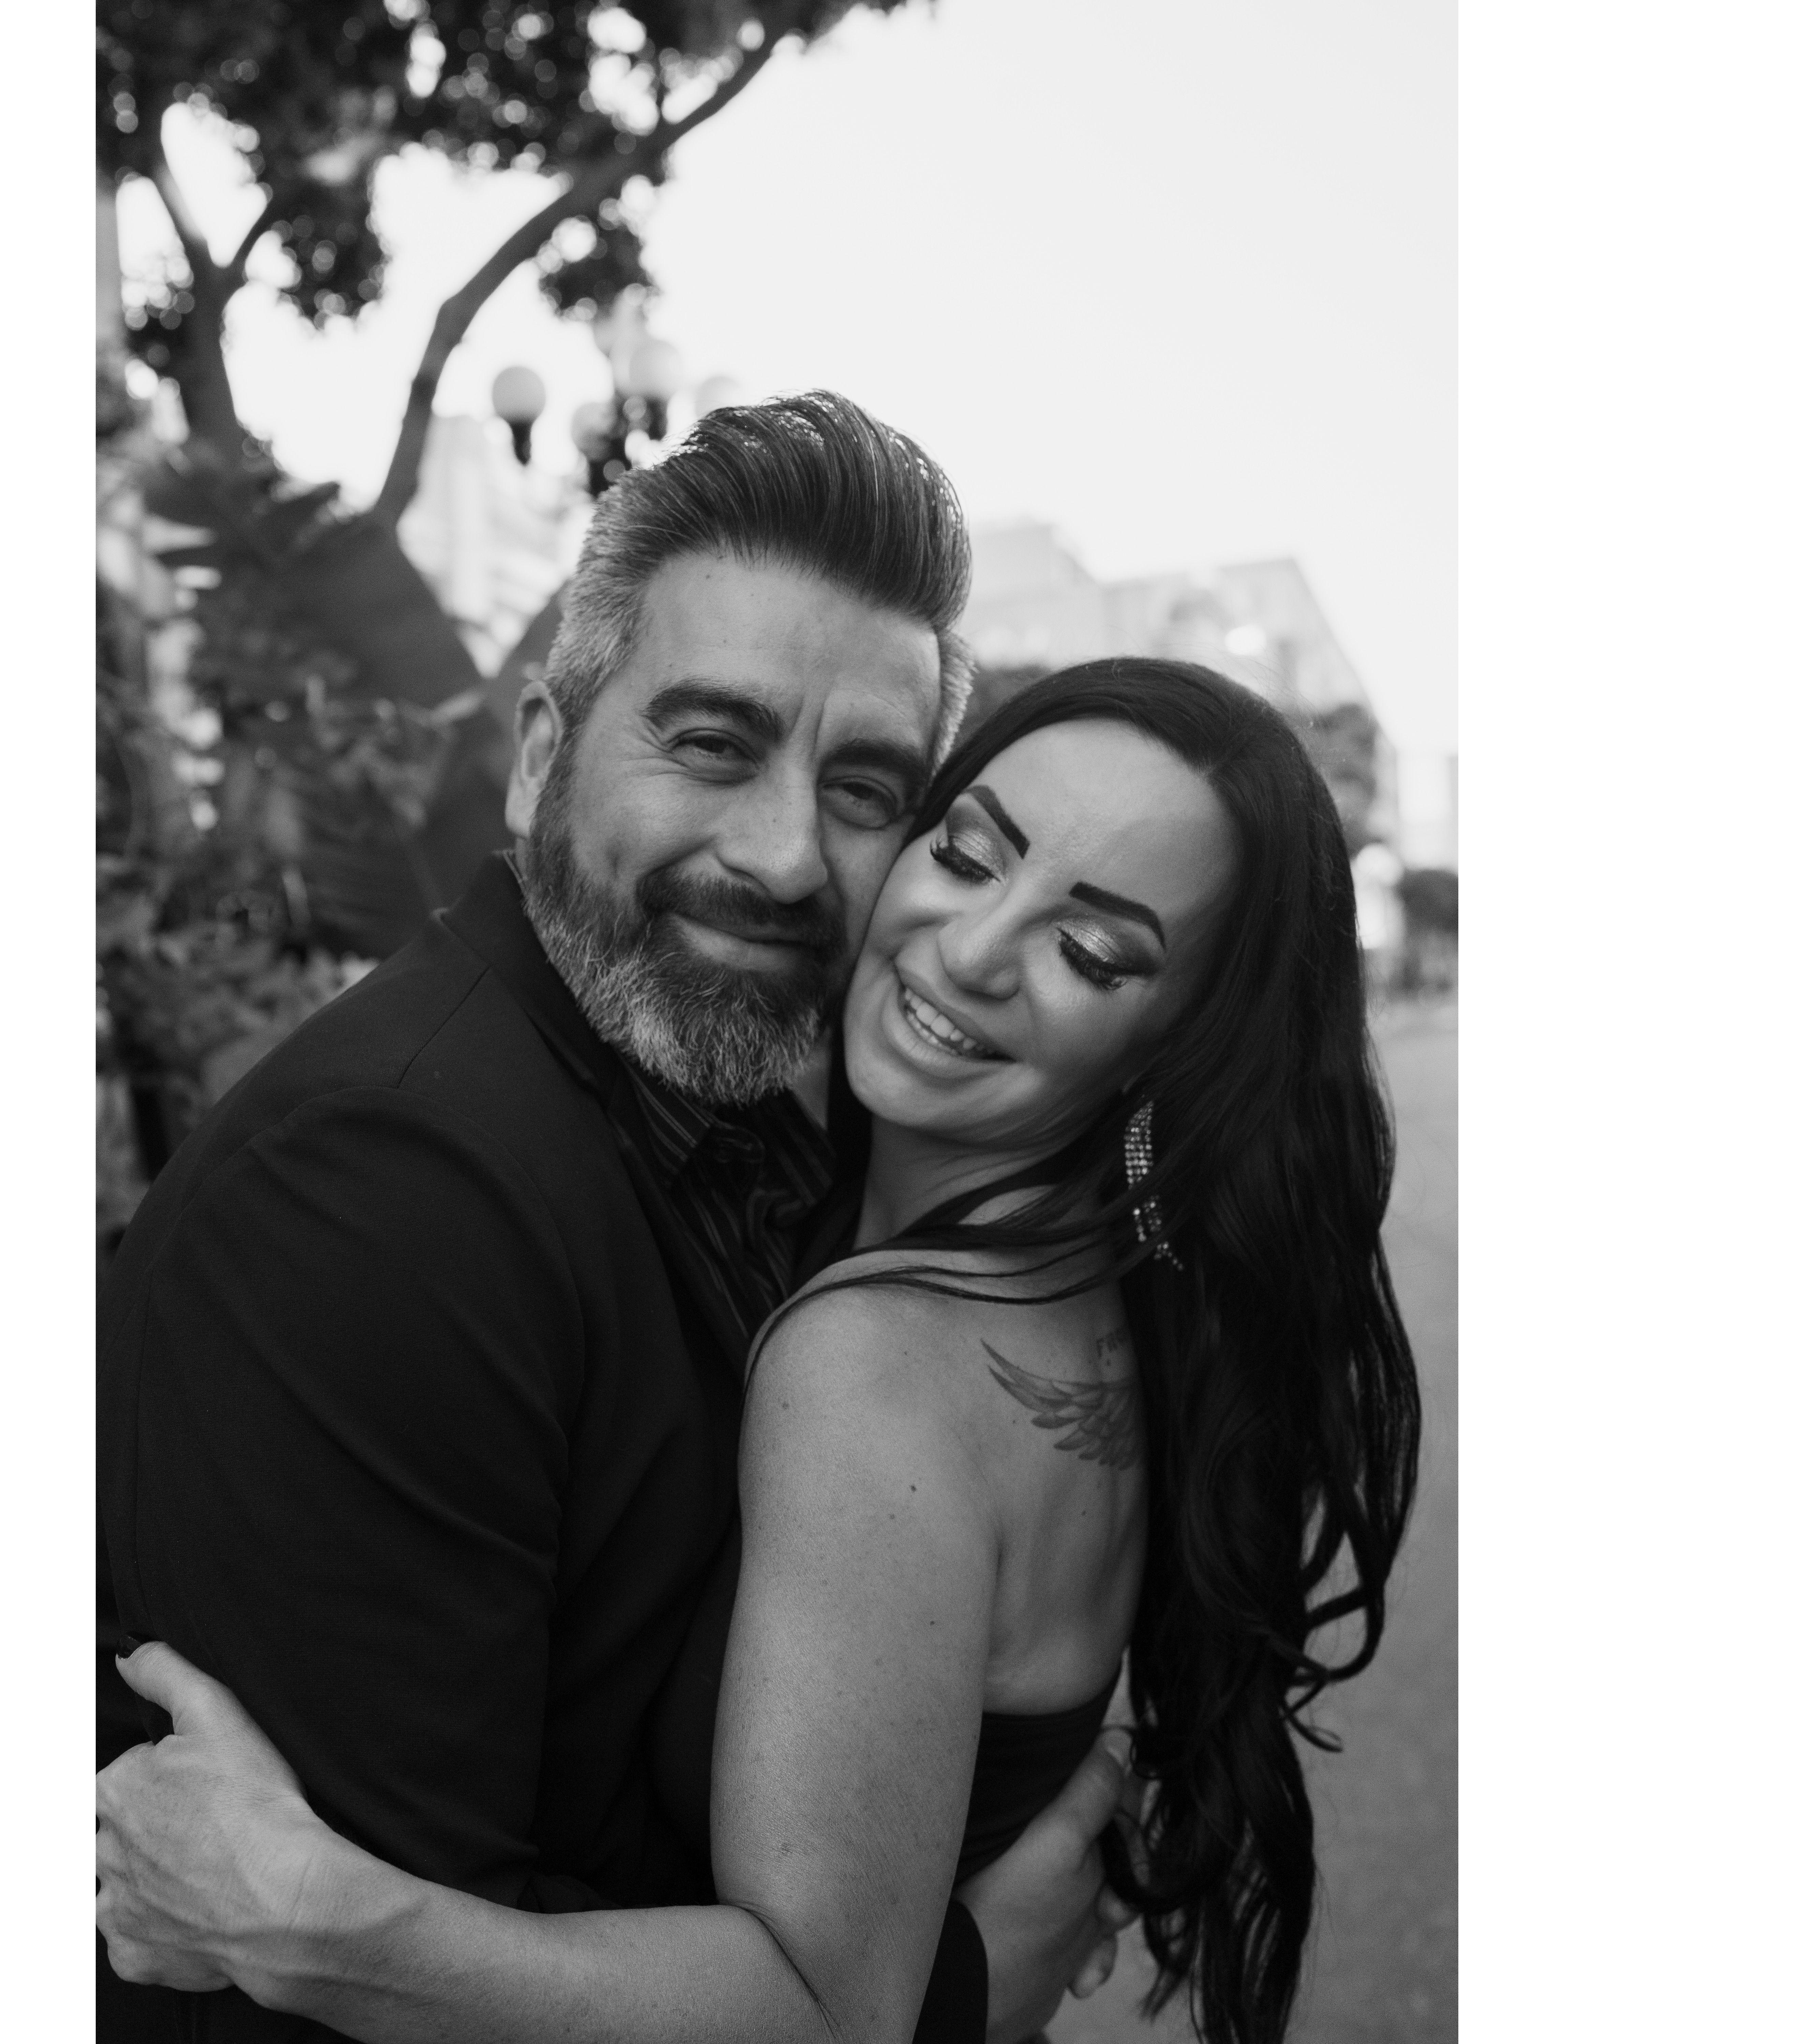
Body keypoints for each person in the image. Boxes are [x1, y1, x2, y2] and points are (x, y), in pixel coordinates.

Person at [98, 658, 1422, 2044]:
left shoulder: (878, 1364)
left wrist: (316, 1928)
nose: (973, 951)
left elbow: (828, 2011)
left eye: (1092, 953)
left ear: (1177, 1048)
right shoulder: (1095, 1297)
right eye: (968, 855)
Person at [97, 392, 1134, 2044]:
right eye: (712, 744)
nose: (785, 857)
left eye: (867, 788)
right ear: (539, 757)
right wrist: (951, 1991)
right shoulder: (382, 1192)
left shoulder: (792, 1115)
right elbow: (337, 1993)